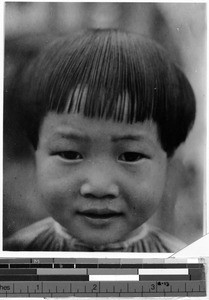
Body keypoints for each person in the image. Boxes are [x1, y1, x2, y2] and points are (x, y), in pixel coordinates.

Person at [4, 29, 196, 252]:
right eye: (70, 154)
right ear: (35, 153)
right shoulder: (14, 255)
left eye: (131, 156)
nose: (99, 186)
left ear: (168, 161)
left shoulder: (181, 264)